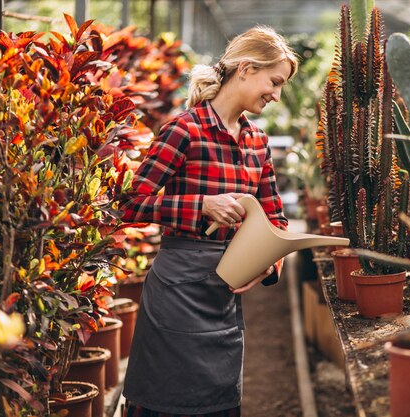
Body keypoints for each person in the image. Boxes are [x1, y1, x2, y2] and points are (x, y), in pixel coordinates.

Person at [119, 26, 298, 417]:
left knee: (219, 406)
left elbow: (276, 219)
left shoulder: (256, 142)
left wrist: (270, 263)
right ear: (247, 68)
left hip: (224, 295)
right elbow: (129, 204)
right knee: (164, 405)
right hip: (177, 291)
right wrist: (201, 205)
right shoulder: (184, 129)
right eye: (275, 81)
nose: (276, 94)